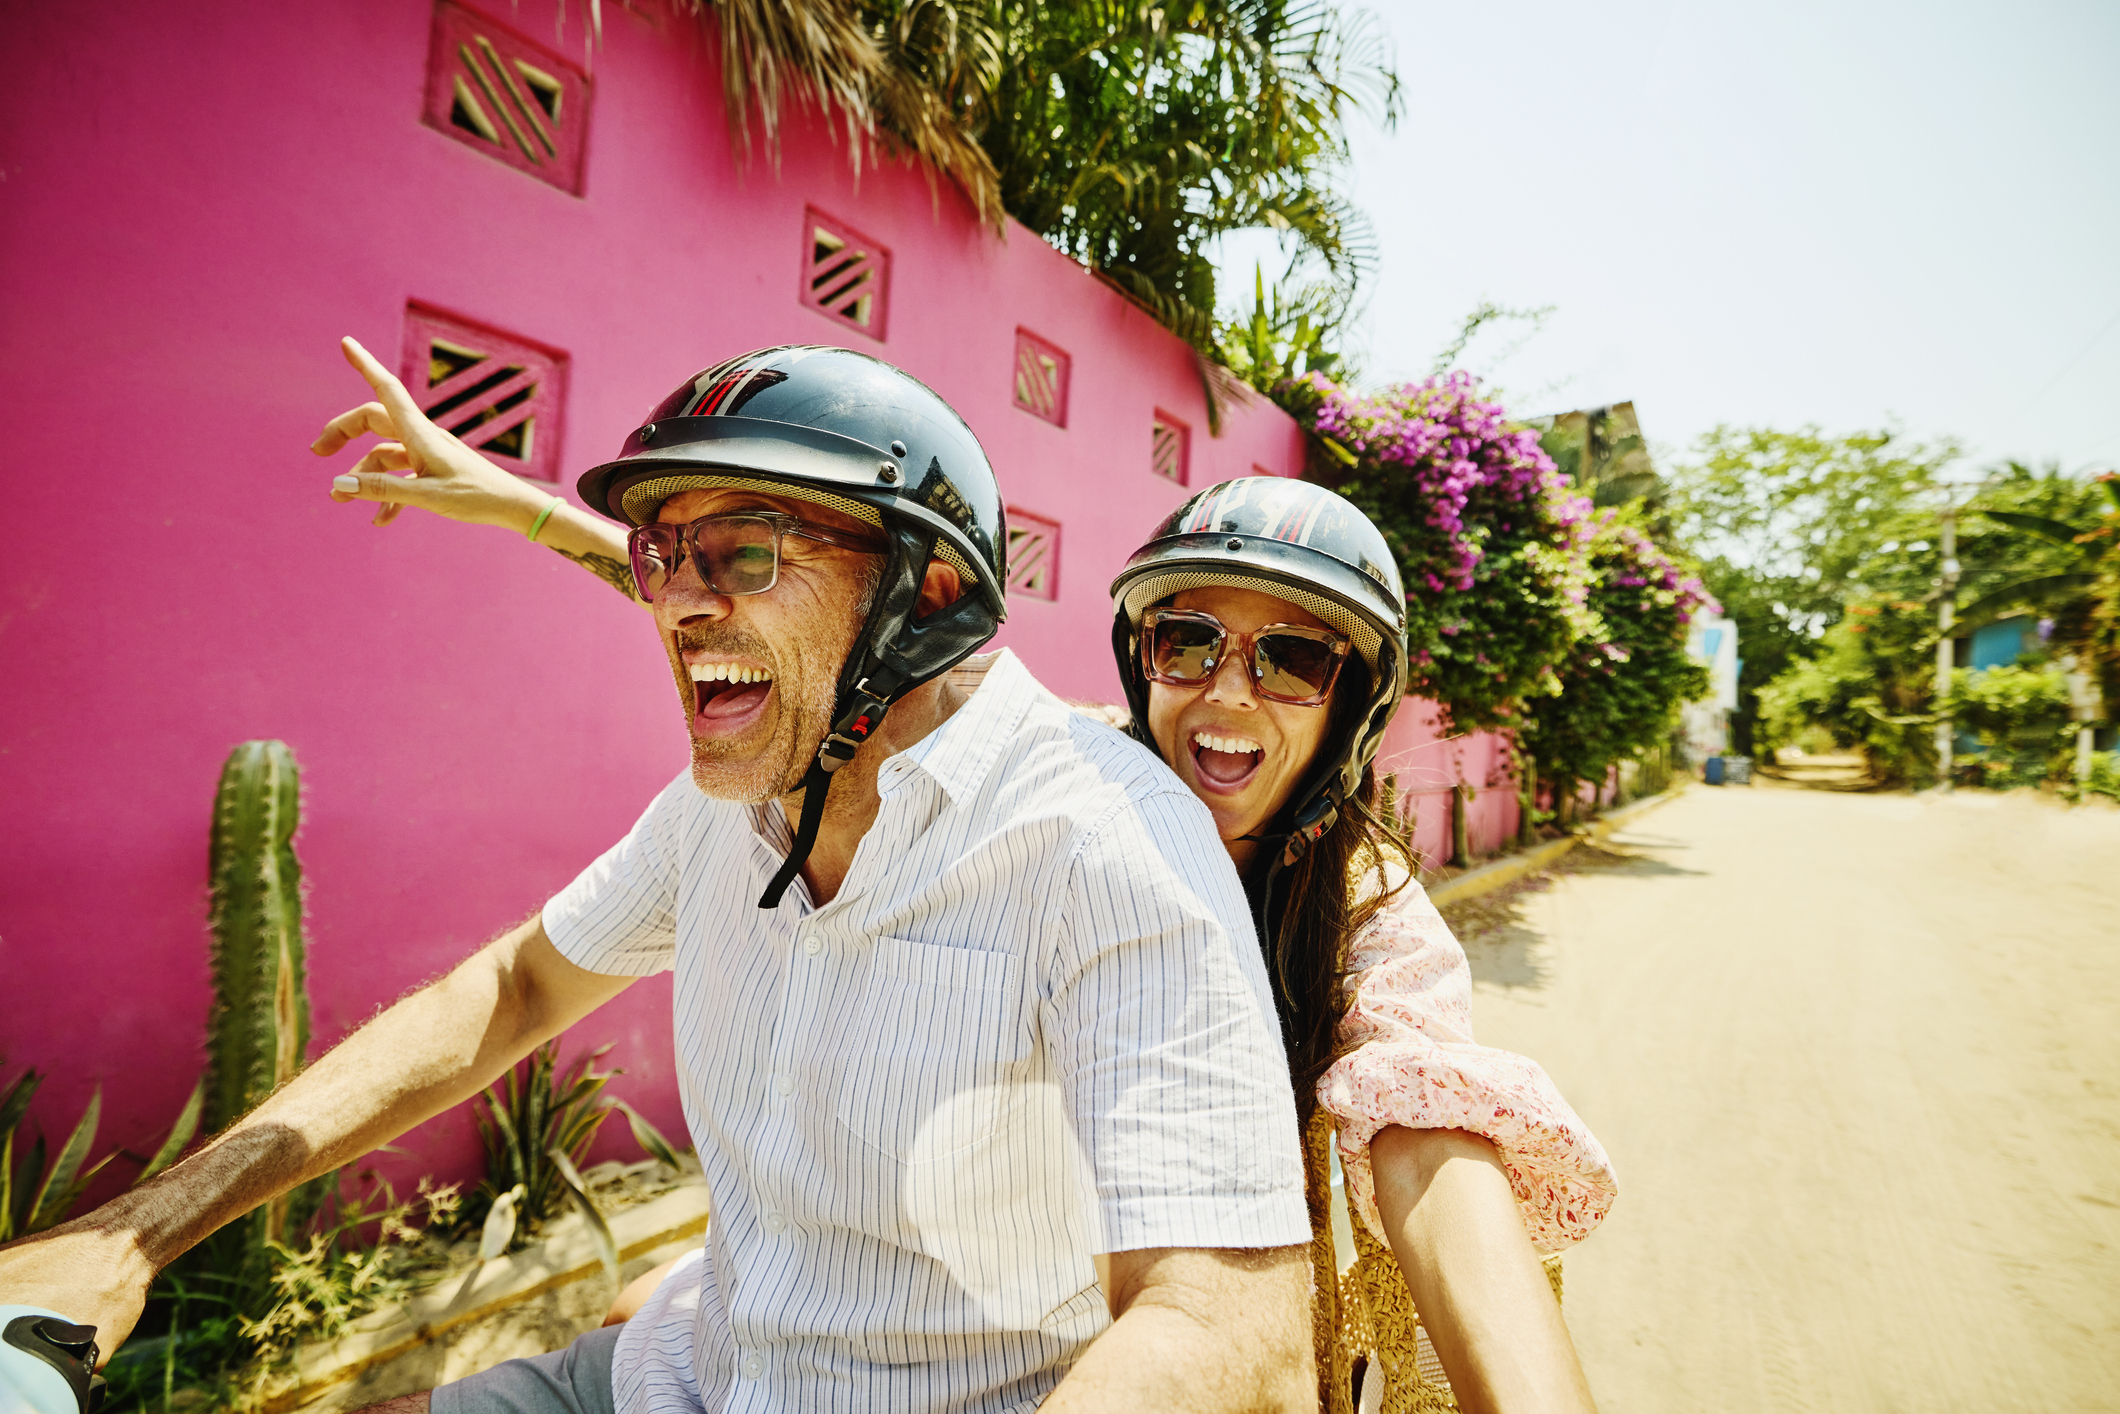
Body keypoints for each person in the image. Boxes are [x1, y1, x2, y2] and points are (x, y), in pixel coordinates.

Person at [0, 341, 1321, 1414]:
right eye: (661, 554)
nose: (676, 604)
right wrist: (133, 1229)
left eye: (743, 551)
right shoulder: (729, 804)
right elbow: (516, 987)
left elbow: (1228, 1318)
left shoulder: (1109, 841)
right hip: (673, 1374)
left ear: (925, 590)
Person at [306, 355, 1618, 1412]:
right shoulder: (1065, 786)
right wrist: (514, 497)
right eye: (1188, 638)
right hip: (922, 1287)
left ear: (1350, 710)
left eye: (1291, 660)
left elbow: (1432, 1153)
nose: (1226, 690)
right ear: (1138, 649)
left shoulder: (1366, 905)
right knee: (630, 1314)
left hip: (1154, 1338)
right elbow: (799, 625)